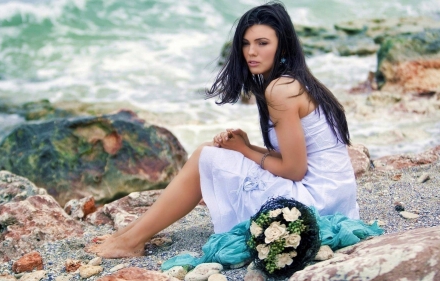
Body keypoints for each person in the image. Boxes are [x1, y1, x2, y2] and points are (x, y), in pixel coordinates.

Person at [87, 1, 359, 259]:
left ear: (283, 47)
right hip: (334, 197)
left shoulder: (281, 90)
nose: (251, 52)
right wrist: (248, 147)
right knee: (208, 150)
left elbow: (295, 169)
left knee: (204, 158)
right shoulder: (294, 82)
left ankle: (130, 241)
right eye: (246, 44)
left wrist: (243, 150)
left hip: (317, 202)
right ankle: (130, 234)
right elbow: (298, 159)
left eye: (262, 43)